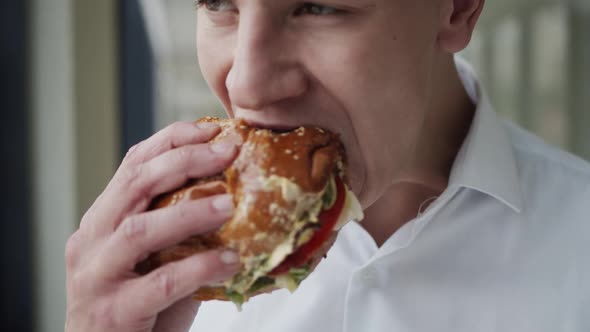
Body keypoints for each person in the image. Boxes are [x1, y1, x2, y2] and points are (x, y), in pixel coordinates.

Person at [65, 0, 590, 331]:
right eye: (219, 3)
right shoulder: (156, 276)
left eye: (317, 8)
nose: (245, 83)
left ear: (457, 8)